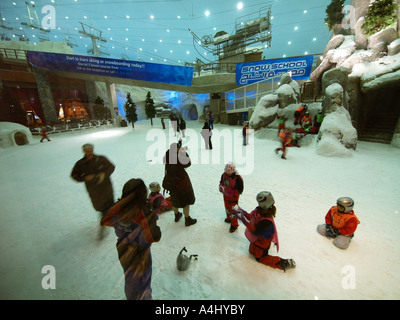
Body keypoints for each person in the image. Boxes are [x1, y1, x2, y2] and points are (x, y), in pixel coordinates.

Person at [100, 179, 161, 300]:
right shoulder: (144, 213)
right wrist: (153, 222)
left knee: (130, 280)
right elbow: (154, 237)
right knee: (143, 282)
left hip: (123, 250)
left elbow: (105, 221)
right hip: (141, 253)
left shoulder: (117, 209)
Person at [233, 191, 296, 272]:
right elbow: (250, 217)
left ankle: (284, 262)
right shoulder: (258, 211)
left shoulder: (267, 222)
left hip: (262, 243)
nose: (258, 205)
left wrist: (241, 218)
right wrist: (240, 210)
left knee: (259, 258)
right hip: (256, 239)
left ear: (264, 204)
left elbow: (254, 231)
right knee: (251, 251)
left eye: (260, 203)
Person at [71, 143, 115, 239]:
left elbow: (111, 167)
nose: (89, 153)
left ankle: (104, 223)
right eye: (87, 151)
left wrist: (104, 174)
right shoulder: (80, 164)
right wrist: (85, 177)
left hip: (106, 187)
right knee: (99, 206)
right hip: (93, 190)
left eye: (91, 151)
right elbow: (74, 175)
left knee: (109, 204)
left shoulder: (101, 159)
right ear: (83, 151)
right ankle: (108, 218)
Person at [162, 142, 197, 226]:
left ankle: (176, 215)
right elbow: (188, 163)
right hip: (181, 181)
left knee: (174, 199)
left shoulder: (168, 155)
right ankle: (187, 219)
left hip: (170, 182)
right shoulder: (179, 156)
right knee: (186, 200)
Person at [219, 162, 244, 233]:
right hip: (225, 196)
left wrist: (231, 192)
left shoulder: (237, 178)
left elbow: (240, 190)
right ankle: (229, 218)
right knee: (227, 208)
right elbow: (221, 181)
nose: (227, 173)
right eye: (226, 171)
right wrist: (221, 186)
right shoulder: (224, 175)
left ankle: (234, 224)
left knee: (233, 211)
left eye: (228, 172)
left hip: (233, 198)